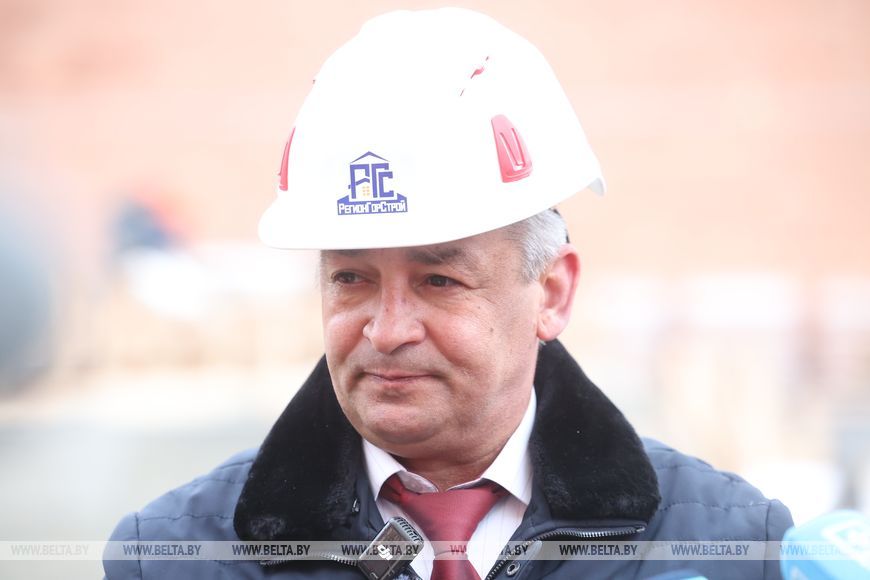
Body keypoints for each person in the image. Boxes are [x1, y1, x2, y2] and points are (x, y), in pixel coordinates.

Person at [104, 8, 793, 579]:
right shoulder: (175, 557)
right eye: (351, 279)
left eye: (439, 280)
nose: (387, 330)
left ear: (551, 294)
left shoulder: (732, 547)